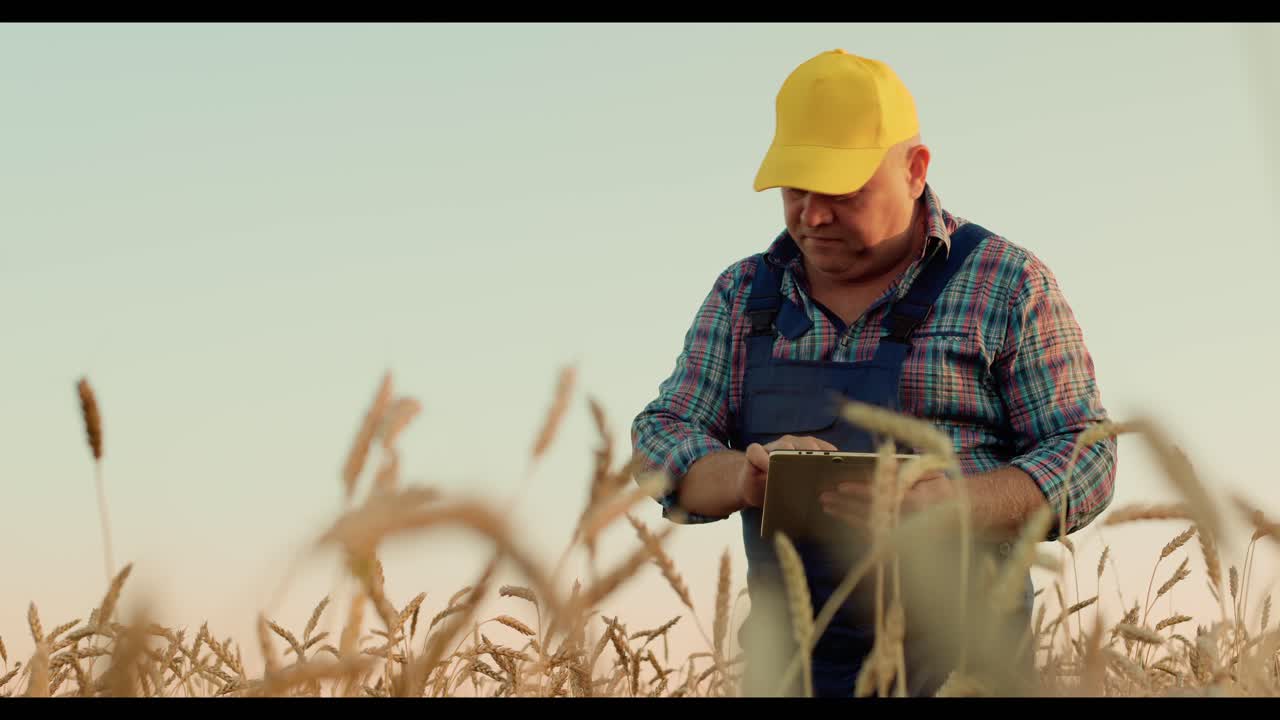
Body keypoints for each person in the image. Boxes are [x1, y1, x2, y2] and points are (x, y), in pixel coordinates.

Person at [630, 49, 1118, 697]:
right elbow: (661, 435)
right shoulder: (742, 295)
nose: (813, 215)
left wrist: (950, 503)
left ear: (915, 170)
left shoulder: (1007, 282)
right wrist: (745, 479)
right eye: (795, 189)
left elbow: (1087, 456)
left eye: (842, 192)